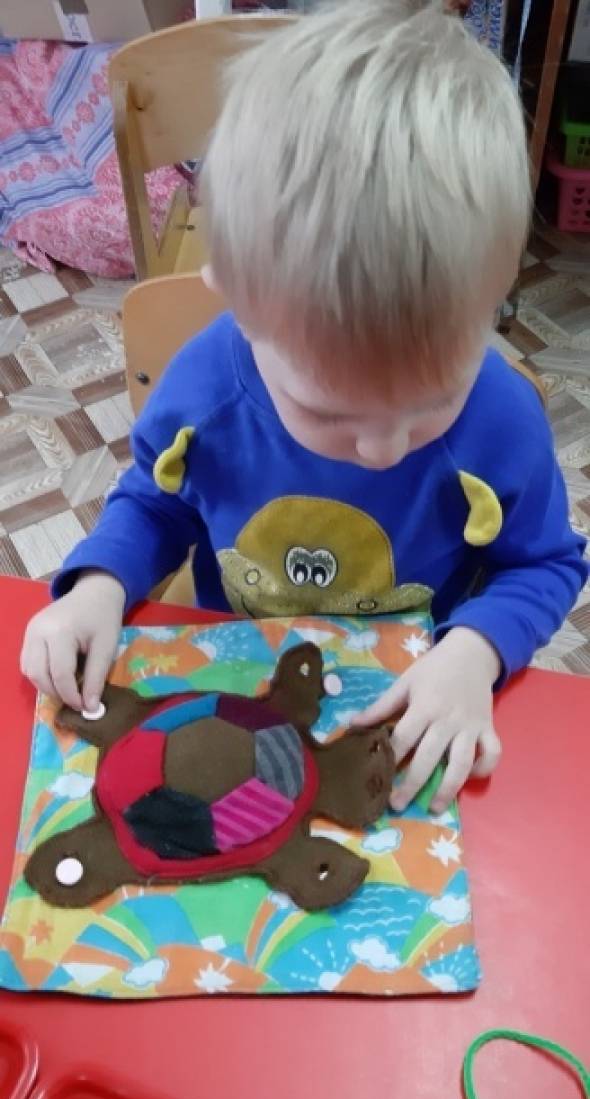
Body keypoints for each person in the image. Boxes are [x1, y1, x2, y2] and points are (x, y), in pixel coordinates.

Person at [21, 0, 587, 814]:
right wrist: (99, 584)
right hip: (238, 689)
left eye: (434, 400)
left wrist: (476, 650)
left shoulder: (503, 419)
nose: (386, 449)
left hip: (418, 705)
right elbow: (157, 501)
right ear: (236, 301)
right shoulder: (203, 392)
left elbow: (544, 563)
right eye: (329, 411)